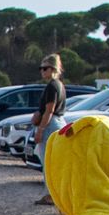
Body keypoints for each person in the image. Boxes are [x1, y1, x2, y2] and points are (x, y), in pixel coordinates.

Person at [32, 54, 67, 205]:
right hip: (57, 122)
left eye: (45, 68)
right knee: (53, 161)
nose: (42, 71)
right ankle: (54, 194)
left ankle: (51, 194)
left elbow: (49, 110)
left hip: (51, 124)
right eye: (41, 69)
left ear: (53, 69)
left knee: (48, 161)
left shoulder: (53, 86)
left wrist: (40, 129)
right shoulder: (59, 85)